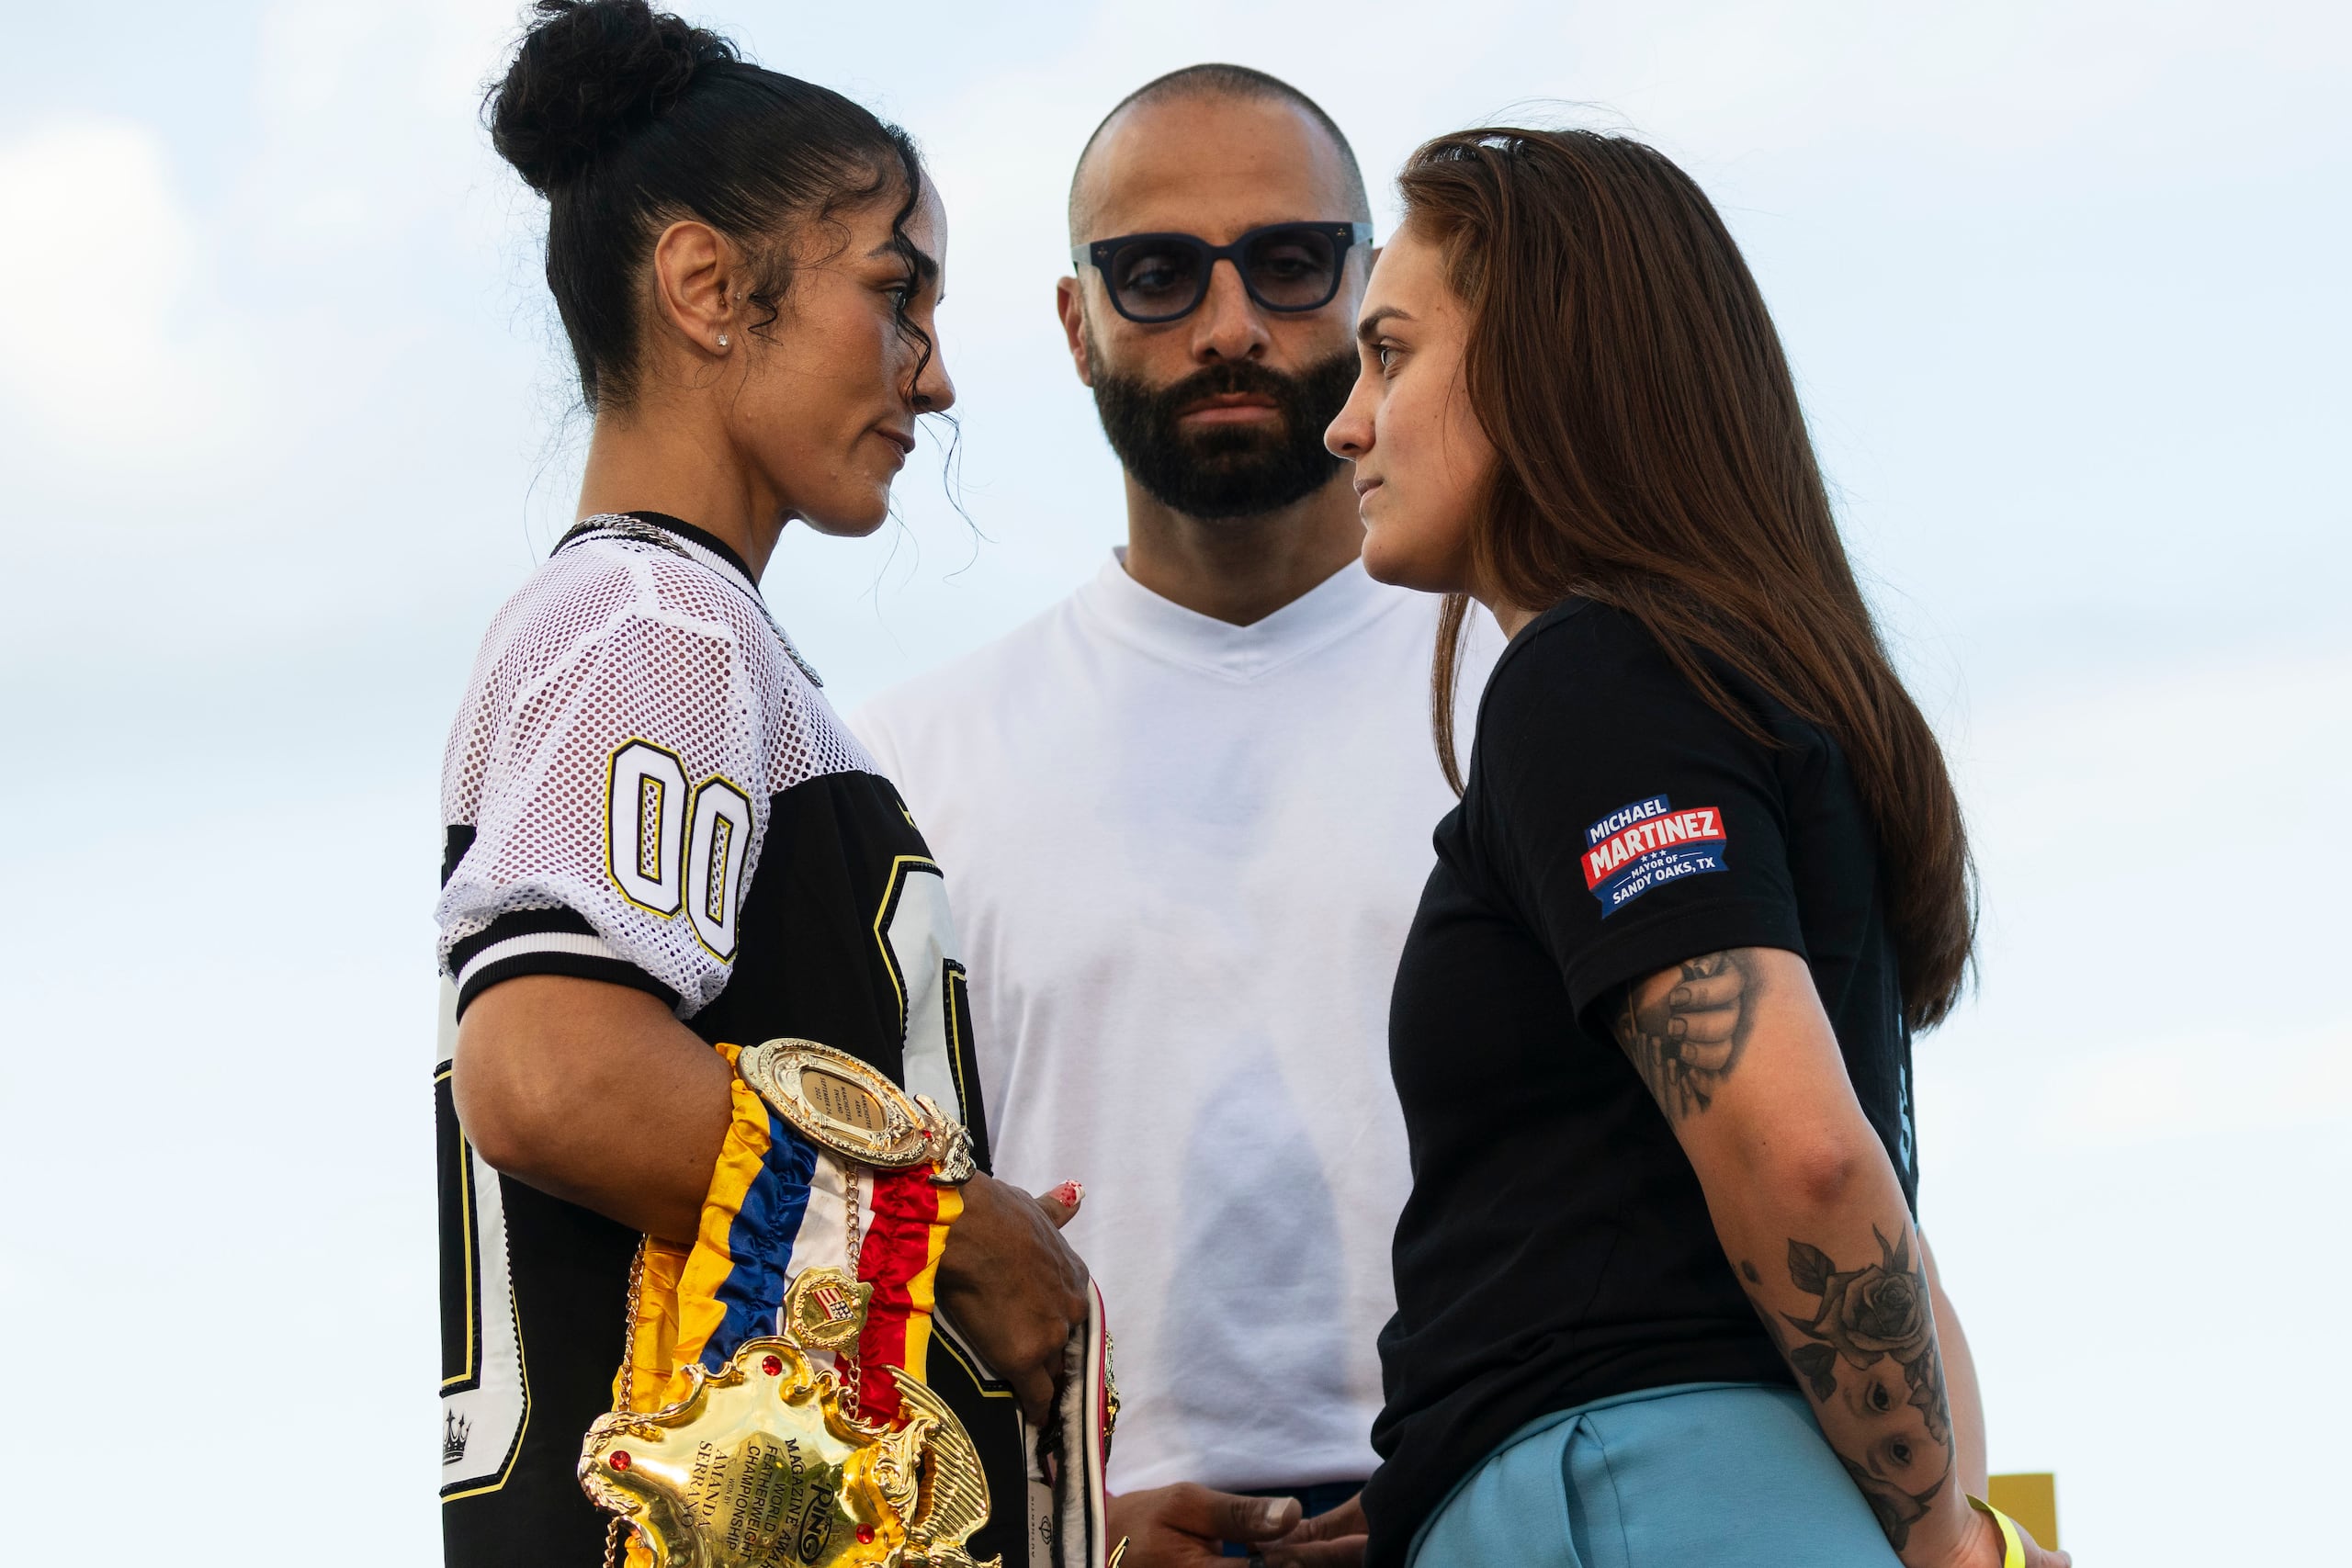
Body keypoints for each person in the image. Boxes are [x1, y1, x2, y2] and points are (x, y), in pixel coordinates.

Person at [1323, 127, 2070, 1568]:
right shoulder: (1724, 686)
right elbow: (1881, 1218)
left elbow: (1807, 1162)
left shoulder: (1596, 676)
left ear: (1546, 365)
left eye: (1391, 354)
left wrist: (1942, 1543)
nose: (1347, 424)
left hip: (1645, 1498)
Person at [434, 5, 1089, 1562]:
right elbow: (552, 1070)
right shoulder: (655, 625)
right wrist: (950, 1237)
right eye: (895, 293)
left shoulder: (676, 633)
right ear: (708, 288)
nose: (934, 377)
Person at [854, 66, 1494, 1568]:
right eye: (1156, 274)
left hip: (1502, 1513)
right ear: (1076, 322)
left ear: (1371, 293)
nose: (1229, 325)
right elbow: (869, 1252)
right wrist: (1051, 1529)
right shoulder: (904, 768)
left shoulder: (1531, 690)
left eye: (1289, 263)